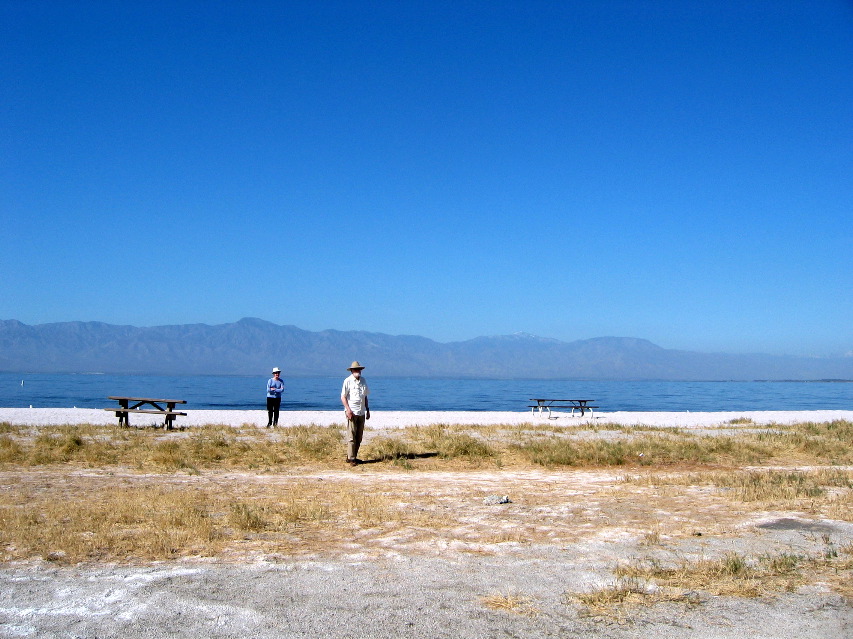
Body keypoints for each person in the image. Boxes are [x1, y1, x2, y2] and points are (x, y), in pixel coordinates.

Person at [340, 360, 369, 465]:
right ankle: (351, 458)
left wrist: (368, 409)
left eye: (359, 369)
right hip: (352, 411)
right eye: (355, 369)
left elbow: (365, 396)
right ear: (352, 371)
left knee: (359, 436)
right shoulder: (347, 381)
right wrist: (348, 410)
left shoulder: (363, 381)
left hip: (361, 411)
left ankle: (353, 456)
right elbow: (343, 396)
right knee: (351, 436)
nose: (357, 371)